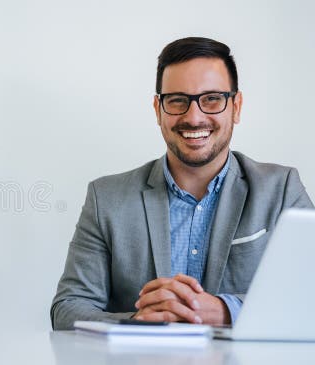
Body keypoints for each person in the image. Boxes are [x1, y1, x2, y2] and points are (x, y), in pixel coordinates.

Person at [50, 37, 314, 331]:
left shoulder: (282, 190)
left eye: (212, 99)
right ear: (157, 109)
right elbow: (68, 308)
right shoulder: (106, 199)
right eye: (177, 101)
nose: (194, 117)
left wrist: (227, 311)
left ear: (236, 107)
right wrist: (141, 321)